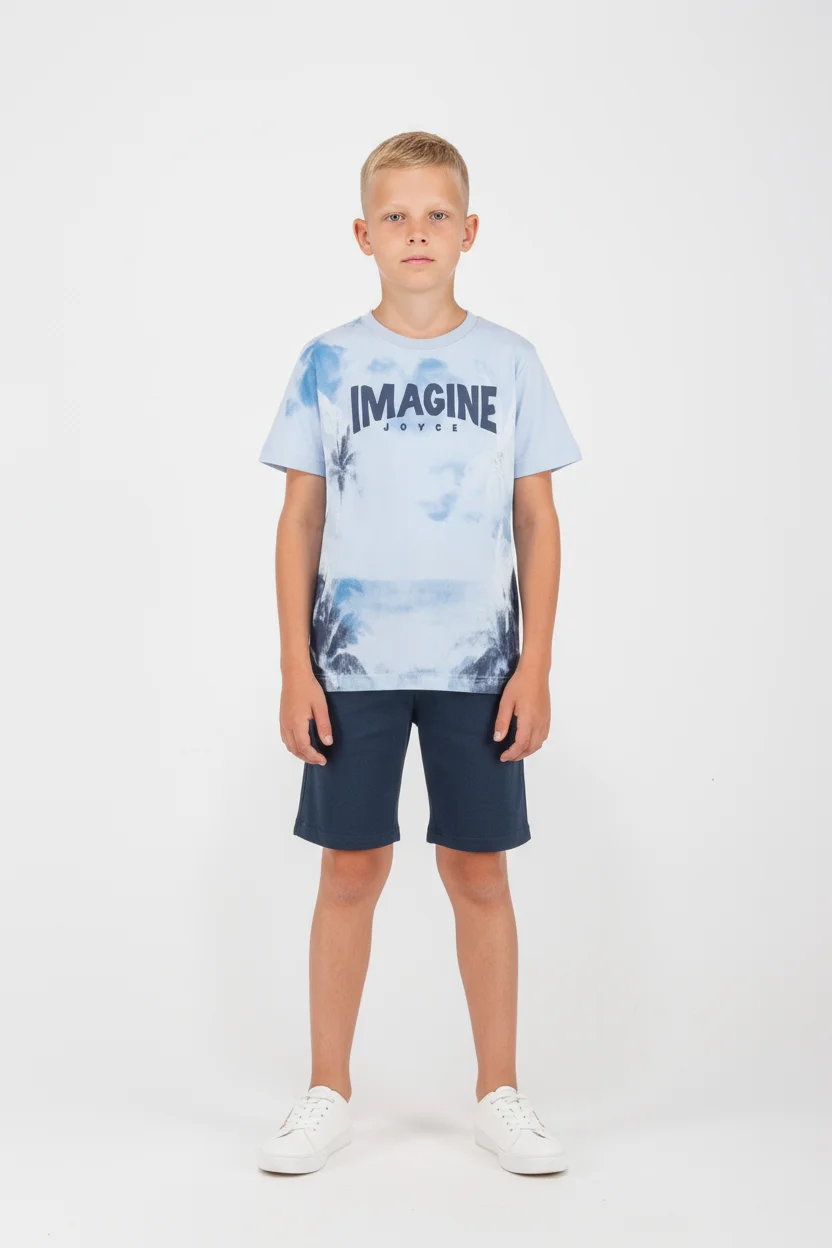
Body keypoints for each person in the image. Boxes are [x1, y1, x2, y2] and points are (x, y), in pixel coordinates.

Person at [255, 131, 581, 1176]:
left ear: (469, 231)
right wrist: (295, 666)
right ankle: (326, 1092)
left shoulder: (509, 362)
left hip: (478, 666)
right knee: (349, 869)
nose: (416, 232)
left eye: (436, 214)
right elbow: (300, 520)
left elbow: (537, 520)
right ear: (362, 234)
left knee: (477, 871)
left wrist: (534, 663)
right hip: (350, 663)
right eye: (394, 216)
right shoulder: (327, 360)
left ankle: (499, 1093)